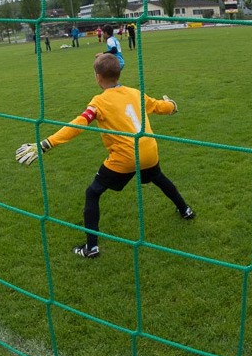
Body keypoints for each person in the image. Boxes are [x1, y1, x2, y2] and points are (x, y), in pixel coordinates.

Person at [15, 53, 194, 258]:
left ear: (97, 77)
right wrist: (171, 105)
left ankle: (91, 248)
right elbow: (159, 106)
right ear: (118, 74)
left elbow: (79, 123)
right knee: (159, 178)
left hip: (125, 157)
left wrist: (46, 143)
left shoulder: (98, 102)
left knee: (93, 193)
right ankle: (185, 210)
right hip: (149, 151)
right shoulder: (135, 93)